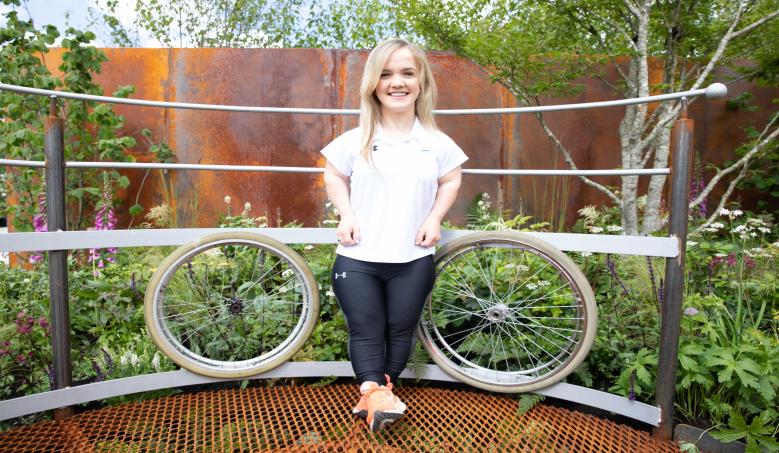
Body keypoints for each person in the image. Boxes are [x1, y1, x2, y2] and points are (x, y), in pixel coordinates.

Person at [321, 38, 468, 432]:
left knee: (400, 332)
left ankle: (377, 398)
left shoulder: (437, 143)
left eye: (407, 73)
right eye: (386, 74)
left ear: (421, 82)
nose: (396, 82)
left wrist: (435, 218)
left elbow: (452, 179)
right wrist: (346, 212)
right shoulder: (357, 139)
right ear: (373, 83)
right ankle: (375, 392)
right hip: (358, 257)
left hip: (412, 259)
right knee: (367, 330)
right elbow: (333, 173)